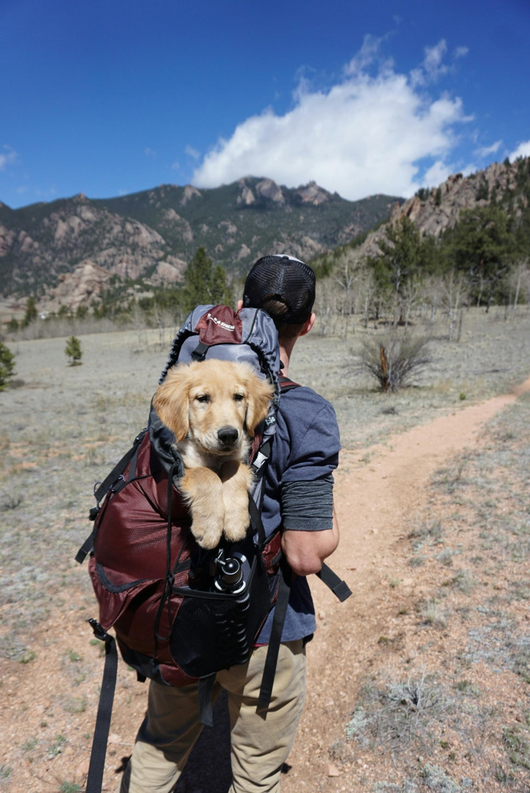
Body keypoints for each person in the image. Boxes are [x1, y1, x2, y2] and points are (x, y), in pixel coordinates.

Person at [119, 254, 341, 793]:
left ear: (239, 312)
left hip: (178, 612)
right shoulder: (305, 412)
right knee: (254, 773)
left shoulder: (190, 393)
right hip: (264, 630)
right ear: (309, 323)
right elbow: (306, 553)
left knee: (159, 746)